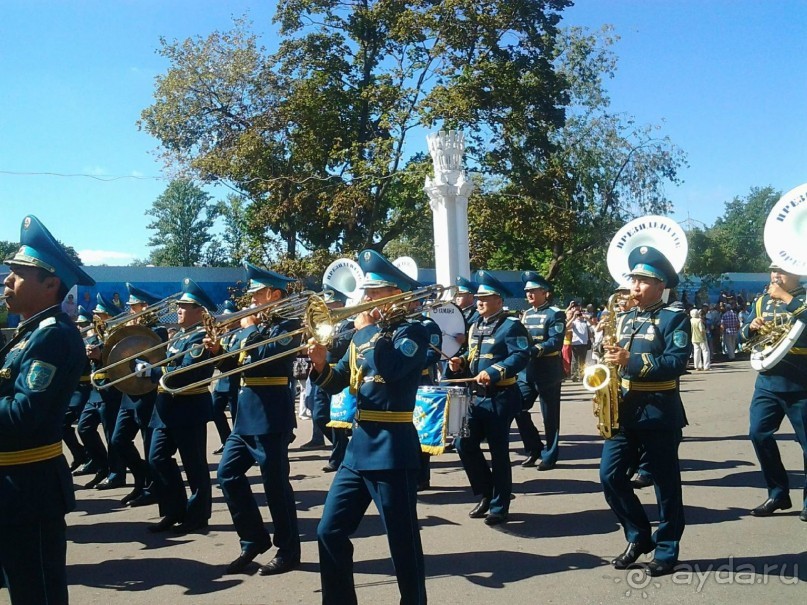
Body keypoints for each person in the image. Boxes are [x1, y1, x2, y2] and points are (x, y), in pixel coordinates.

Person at [307, 249, 428, 605]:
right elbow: (338, 380)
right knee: (328, 531)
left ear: (397, 294)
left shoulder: (414, 332)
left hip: (393, 450)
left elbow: (391, 369)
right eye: (368, 292)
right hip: (357, 450)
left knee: (402, 543)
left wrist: (370, 331)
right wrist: (319, 365)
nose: (365, 299)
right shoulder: (366, 333)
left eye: (375, 293)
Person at [1, 214, 95, 604]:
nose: (7, 280)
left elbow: (25, 413)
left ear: (50, 283)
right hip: (14, 486)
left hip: (29, 488)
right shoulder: (30, 334)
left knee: (36, 593)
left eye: (19, 274)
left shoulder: (52, 336)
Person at [599, 246, 691, 577]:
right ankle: (638, 536)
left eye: (642, 280)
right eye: (633, 279)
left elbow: (676, 363)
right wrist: (604, 352)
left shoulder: (674, 317)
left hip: (658, 410)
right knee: (610, 476)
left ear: (660, 284)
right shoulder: (622, 317)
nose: (634, 286)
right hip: (623, 411)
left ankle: (666, 549)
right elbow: (612, 357)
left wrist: (631, 361)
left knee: (665, 485)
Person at [210, 263, 303, 576]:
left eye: (257, 294)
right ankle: (253, 538)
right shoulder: (250, 328)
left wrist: (248, 328)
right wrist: (216, 353)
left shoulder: (289, 325)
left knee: (275, 486)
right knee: (227, 475)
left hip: (271, 415)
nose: (250, 301)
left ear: (274, 295)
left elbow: (268, 357)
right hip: (245, 414)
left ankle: (289, 551)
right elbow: (234, 367)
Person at [445, 270, 530, 526]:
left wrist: (494, 372)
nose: (479, 301)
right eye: (478, 297)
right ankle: (486, 492)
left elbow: (520, 356)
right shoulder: (475, 325)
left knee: (499, 452)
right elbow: (473, 358)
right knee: (464, 445)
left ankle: (499, 505)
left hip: (500, 396)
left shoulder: (511, 325)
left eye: (486, 297)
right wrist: (460, 365)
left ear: (499, 300)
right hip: (476, 397)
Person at [140, 278, 216, 534]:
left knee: (194, 466)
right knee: (156, 458)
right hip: (165, 407)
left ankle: (197, 516)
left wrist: (151, 370)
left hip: (188, 406)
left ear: (200, 312)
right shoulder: (178, 337)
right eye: (180, 305)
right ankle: (173, 510)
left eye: (185, 306)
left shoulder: (201, 338)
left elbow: (185, 373)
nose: (179, 310)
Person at [740, 262, 807, 522]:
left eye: (782, 271)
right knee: (758, 434)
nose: (775, 276)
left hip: (801, 381)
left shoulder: (799, 298)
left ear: (797, 273)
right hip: (768, 381)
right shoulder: (762, 302)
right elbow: (745, 335)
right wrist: (752, 327)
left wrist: (787, 298)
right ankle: (778, 492)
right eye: (773, 270)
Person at [110, 283, 168, 507]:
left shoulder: (159, 331)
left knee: (148, 441)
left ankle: (152, 487)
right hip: (129, 393)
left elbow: (155, 360)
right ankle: (142, 478)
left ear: (145, 307)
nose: (130, 311)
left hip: (148, 394)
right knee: (118, 440)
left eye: (134, 307)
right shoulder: (129, 330)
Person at [516, 271, 566, 471]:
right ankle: (534, 447)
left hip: (547, 370)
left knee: (550, 417)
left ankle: (550, 455)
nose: (529, 295)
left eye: (533, 291)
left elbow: (555, 341)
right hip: (526, 372)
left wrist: (534, 349)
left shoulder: (555, 314)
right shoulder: (526, 314)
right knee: (517, 408)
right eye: (527, 291)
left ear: (545, 292)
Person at [80, 294, 126, 489]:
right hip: (95, 391)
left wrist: (101, 357)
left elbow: (122, 364)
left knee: (111, 436)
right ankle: (101, 466)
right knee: (84, 428)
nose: (96, 318)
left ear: (110, 317)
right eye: (96, 314)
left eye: (101, 315)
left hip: (111, 391)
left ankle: (116, 474)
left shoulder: (119, 338)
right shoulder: (94, 336)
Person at [305, 291, 353, 472]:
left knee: (337, 420)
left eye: (331, 305)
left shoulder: (348, 324)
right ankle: (344, 448)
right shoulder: (326, 325)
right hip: (324, 372)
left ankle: (338, 456)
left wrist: (324, 341)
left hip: (339, 373)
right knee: (319, 416)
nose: (328, 308)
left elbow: (342, 346)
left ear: (340, 305)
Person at [210, 299, 239, 455]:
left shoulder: (241, 334)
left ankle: (239, 446)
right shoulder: (224, 335)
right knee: (214, 410)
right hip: (222, 382)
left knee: (236, 416)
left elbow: (232, 357)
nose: (225, 321)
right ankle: (226, 440)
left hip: (235, 381)